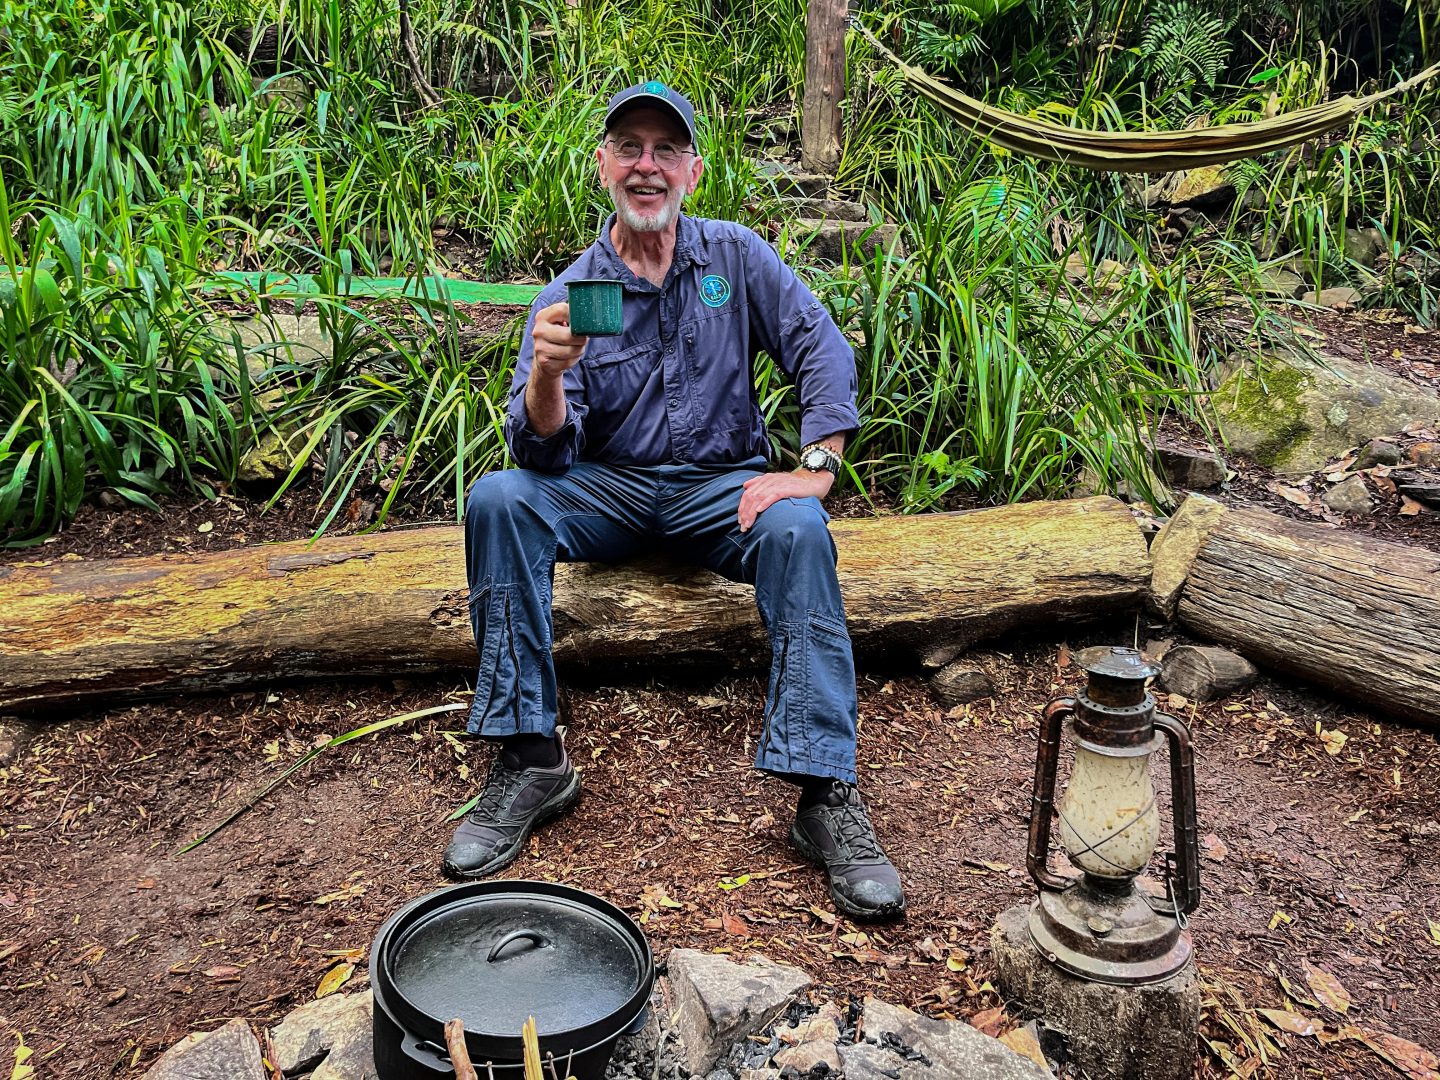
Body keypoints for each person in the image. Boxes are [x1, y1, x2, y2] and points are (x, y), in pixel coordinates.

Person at [442, 81, 905, 921]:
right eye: (630, 148)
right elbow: (544, 448)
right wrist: (548, 372)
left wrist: (814, 467)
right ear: (604, 166)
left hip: (719, 491)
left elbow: (821, 348)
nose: (646, 166)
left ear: (692, 169)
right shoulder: (577, 288)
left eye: (664, 151)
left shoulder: (735, 258)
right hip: (611, 490)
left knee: (801, 524)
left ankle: (823, 793)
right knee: (500, 500)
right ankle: (532, 755)